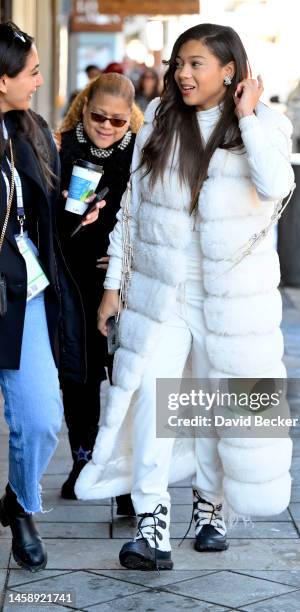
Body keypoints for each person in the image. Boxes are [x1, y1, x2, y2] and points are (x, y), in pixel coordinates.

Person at [76, 23, 295, 570]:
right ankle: (152, 523)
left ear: (230, 70)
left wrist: (246, 116)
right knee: (155, 400)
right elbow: (132, 211)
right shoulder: (158, 120)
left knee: (217, 403)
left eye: (197, 63)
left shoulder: (266, 125)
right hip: (162, 293)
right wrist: (112, 290)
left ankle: (210, 503)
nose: (183, 73)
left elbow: (276, 184)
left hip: (231, 300)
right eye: (180, 63)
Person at [0, 21, 104, 572]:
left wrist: (75, 213)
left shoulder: (33, 129)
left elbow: (43, 215)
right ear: (1, 80)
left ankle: (19, 503)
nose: (40, 81)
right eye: (33, 72)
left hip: (25, 296)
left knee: (40, 419)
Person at [55, 73, 143, 515]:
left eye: (118, 121)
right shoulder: (60, 148)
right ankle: (83, 460)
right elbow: (50, 221)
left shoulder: (141, 154)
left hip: (125, 286)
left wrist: (127, 263)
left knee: (125, 377)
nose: (107, 127)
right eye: (98, 117)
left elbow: (151, 219)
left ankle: (125, 474)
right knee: (79, 376)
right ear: (84, 106)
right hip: (73, 279)